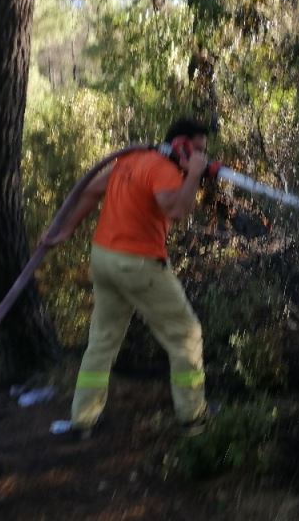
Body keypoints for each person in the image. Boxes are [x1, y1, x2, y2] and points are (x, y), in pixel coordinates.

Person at [44, 118, 211, 439]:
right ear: (181, 145)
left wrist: (68, 229)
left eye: (203, 151)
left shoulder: (132, 160)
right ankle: (194, 418)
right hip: (138, 266)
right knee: (186, 334)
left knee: (102, 341)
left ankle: (82, 420)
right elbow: (175, 210)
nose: (201, 155)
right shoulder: (164, 169)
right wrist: (193, 175)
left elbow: (92, 190)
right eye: (198, 149)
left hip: (104, 259)